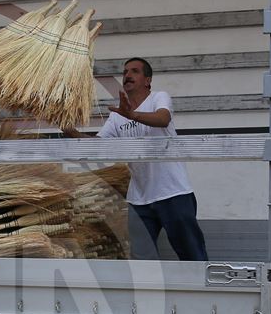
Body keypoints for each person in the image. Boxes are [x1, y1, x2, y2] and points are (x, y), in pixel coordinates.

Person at [65, 58, 208, 261]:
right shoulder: (117, 116)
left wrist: (131, 114)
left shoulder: (159, 97)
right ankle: (150, 293)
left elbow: (163, 118)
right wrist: (70, 130)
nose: (127, 75)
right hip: (139, 199)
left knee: (192, 254)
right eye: (124, 72)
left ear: (147, 80)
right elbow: (97, 146)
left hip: (174, 193)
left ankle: (202, 292)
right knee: (141, 259)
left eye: (134, 71)